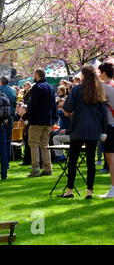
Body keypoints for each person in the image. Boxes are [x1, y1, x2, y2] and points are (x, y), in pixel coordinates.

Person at [60, 65, 107, 199]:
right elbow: (103, 113)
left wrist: (70, 113)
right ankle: (89, 191)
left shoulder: (76, 89)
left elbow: (67, 108)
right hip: (94, 129)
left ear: (83, 75)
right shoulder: (99, 90)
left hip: (78, 128)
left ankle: (69, 190)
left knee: (73, 160)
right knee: (90, 161)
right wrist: (104, 131)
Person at [24, 68, 57, 177]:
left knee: (33, 143)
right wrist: (53, 119)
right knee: (45, 145)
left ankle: (35, 169)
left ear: (37, 75)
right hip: (48, 120)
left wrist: (27, 117)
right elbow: (54, 105)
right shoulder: (51, 88)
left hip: (37, 120)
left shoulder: (37, 88)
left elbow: (32, 105)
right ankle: (48, 168)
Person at [97, 62, 114, 198]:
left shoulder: (105, 87)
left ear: (103, 72)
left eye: (99, 72)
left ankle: (113, 189)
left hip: (111, 126)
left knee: (110, 157)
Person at [0, 76, 17, 163]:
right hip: (11, 116)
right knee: (8, 140)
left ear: (1, 82)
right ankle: (6, 161)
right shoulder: (13, 90)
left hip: (1, 117)